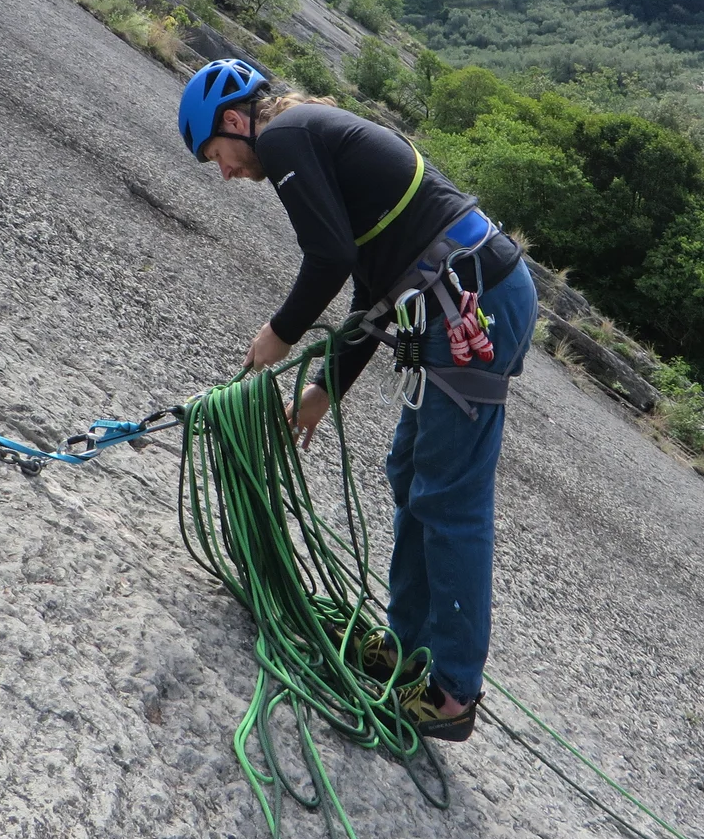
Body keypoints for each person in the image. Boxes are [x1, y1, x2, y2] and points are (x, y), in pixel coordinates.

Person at [177, 58, 538, 741]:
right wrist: (324, 391)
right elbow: (372, 286)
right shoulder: (309, 135)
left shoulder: (283, 138)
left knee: (450, 497)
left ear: (233, 121)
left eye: (216, 155)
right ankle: (408, 650)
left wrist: (280, 333)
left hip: (469, 307)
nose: (224, 171)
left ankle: (454, 691)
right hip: (448, 301)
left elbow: (330, 257)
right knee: (411, 475)